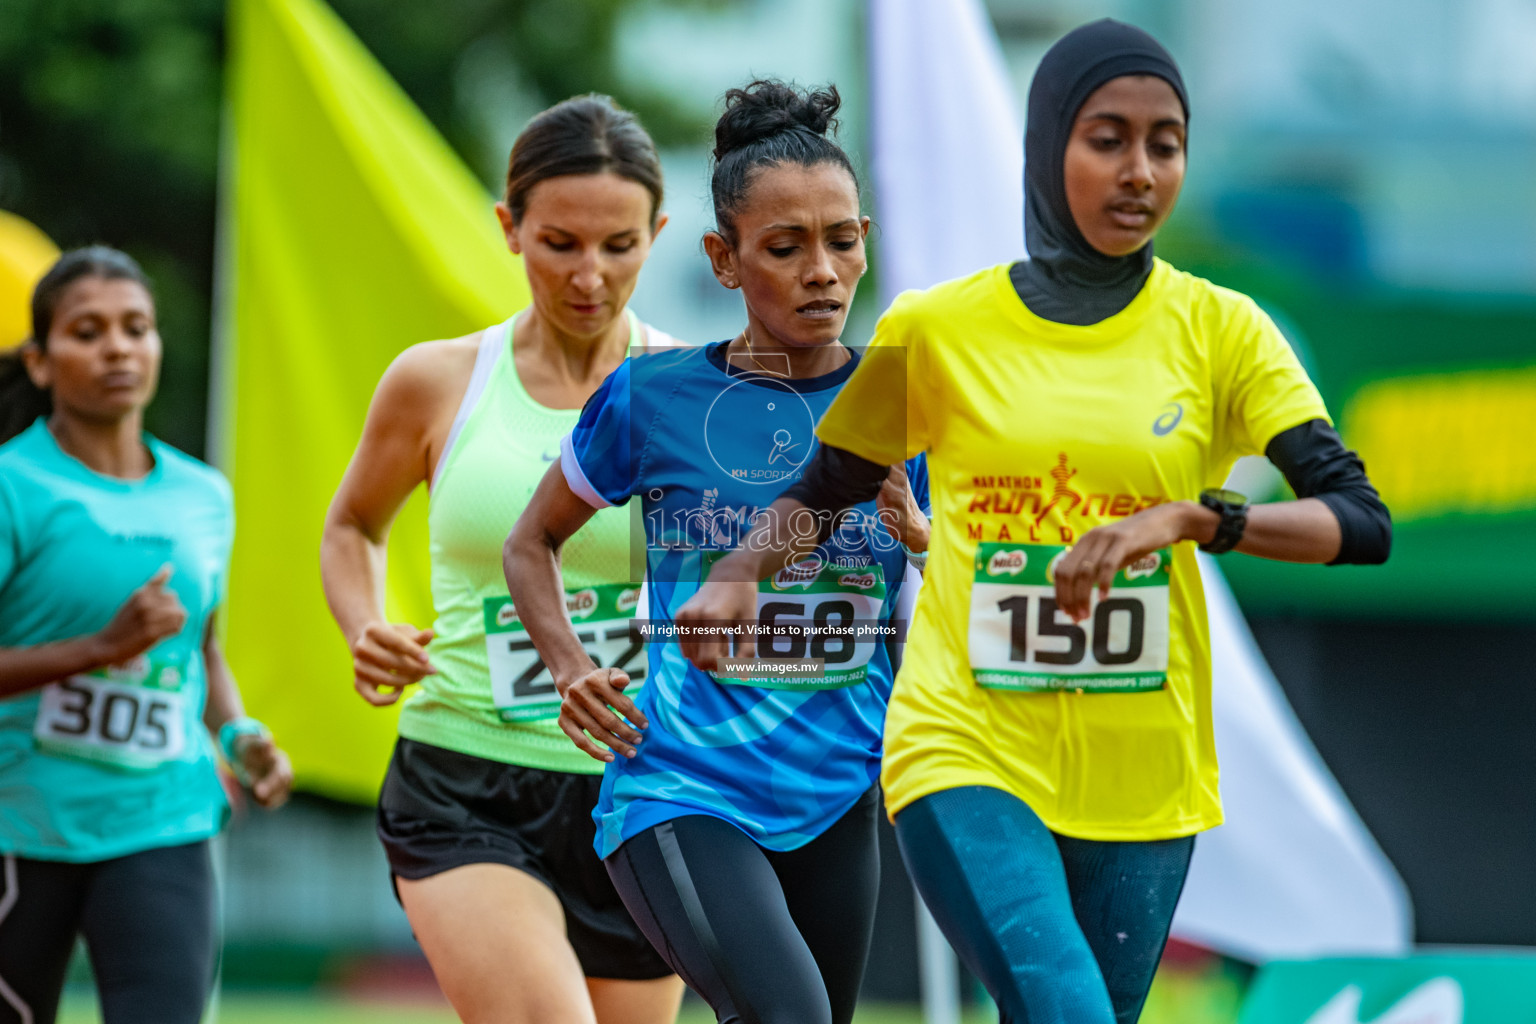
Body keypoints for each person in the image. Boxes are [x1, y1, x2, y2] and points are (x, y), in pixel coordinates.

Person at [677, 22, 1392, 1024]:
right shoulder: (938, 328)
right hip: (967, 746)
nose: (1140, 170)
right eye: (1108, 138)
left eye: (1165, 142)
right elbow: (831, 483)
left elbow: (1359, 520)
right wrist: (736, 573)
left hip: (1145, 778)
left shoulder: (1224, 332)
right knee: (1067, 1012)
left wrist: (1195, 518)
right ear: (1047, 145)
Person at [503, 81, 931, 1024]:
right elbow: (531, 542)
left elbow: (944, 619)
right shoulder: (650, 398)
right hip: (681, 787)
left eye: (841, 241)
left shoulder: (909, 406)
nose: (821, 271)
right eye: (784, 248)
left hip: (838, 792)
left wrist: (926, 546)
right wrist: (571, 668)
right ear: (724, 260)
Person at [320, 95, 684, 1024]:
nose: (590, 275)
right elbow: (352, 526)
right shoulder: (438, 380)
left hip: (647, 785)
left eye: (620, 246)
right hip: (465, 776)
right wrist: (365, 624)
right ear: (508, 226)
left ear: (660, 232)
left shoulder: (696, 394)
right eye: (559, 243)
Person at [0, 246, 293, 1024]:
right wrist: (102, 648)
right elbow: (123, 644)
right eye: (88, 332)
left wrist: (238, 736)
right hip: (21, 827)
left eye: (137, 328)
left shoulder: (204, 495)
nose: (118, 348)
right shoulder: (11, 486)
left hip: (164, 819)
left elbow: (201, 650)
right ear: (38, 361)